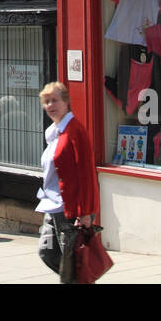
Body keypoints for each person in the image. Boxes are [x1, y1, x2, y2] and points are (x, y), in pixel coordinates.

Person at [36, 82, 98, 284]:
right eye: (46, 102)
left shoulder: (74, 130)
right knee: (47, 253)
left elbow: (86, 173)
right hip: (52, 204)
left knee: (72, 263)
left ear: (66, 102)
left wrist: (85, 212)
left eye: (55, 100)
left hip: (70, 207)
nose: (50, 105)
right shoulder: (54, 132)